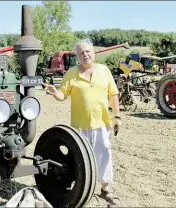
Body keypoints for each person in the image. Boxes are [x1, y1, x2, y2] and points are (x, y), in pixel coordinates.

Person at [42, 38, 122, 206]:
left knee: (104, 153)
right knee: (79, 157)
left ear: (93, 53)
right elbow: (63, 95)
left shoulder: (104, 70)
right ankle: (81, 188)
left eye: (88, 52)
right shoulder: (71, 73)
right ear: (77, 56)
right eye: (81, 53)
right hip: (79, 126)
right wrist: (54, 92)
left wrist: (117, 116)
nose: (85, 55)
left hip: (101, 122)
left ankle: (106, 188)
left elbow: (113, 94)